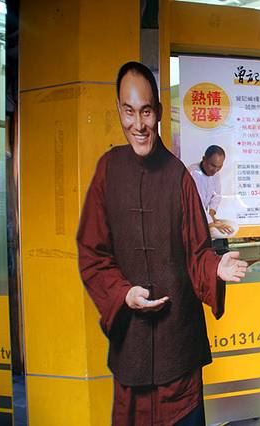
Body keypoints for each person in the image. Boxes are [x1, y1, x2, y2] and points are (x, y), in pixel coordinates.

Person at [76, 61, 247, 426]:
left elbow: (197, 251)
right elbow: (92, 252)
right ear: (119, 110)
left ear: (157, 111)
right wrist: (122, 293)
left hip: (178, 349)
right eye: (129, 111)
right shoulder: (108, 170)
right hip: (132, 349)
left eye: (146, 111)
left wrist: (215, 266)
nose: (138, 124)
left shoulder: (178, 176)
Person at [188, 145, 232, 254]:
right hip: (190, 220)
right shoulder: (192, 174)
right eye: (213, 165)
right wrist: (211, 222)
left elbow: (216, 195)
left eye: (219, 166)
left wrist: (212, 215)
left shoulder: (215, 173)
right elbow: (196, 204)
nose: (215, 170)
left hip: (203, 217)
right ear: (204, 159)